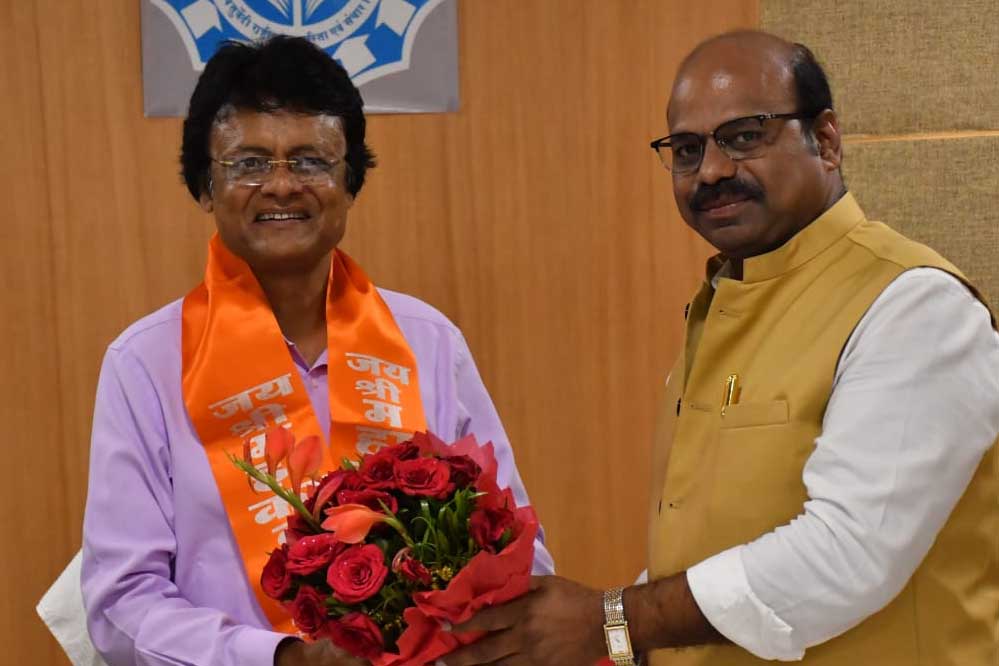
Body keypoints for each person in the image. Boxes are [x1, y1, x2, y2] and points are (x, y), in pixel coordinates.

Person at [440, 30, 999, 666]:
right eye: (687, 149)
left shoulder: (912, 304)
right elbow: (710, 549)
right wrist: (613, 641)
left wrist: (611, 620)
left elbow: (847, 553)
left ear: (826, 140)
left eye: (744, 136)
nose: (711, 171)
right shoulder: (723, 300)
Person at [80, 36, 554, 666]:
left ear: (350, 183)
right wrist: (282, 658)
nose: (281, 186)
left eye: (310, 161)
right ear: (204, 187)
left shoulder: (428, 340)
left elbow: (518, 547)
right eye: (249, 163)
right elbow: (122, 603)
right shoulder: (146, 363)